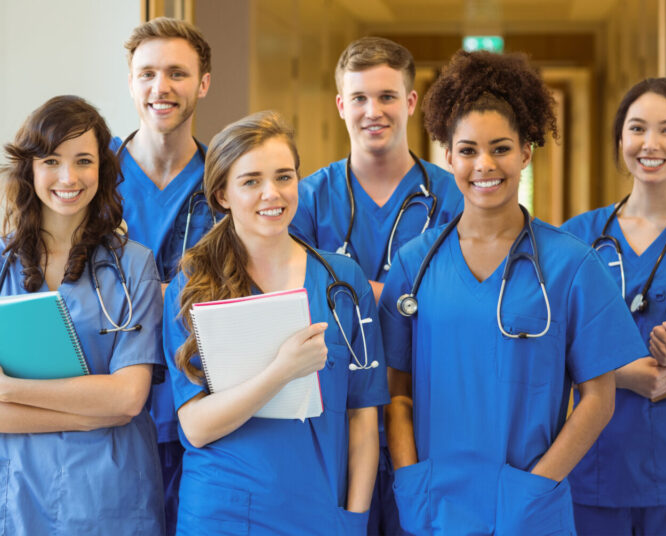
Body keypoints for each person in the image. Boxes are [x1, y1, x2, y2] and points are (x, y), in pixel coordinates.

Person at [380, 50, 647, 535]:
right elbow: (396, 395)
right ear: (448, 156)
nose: (485, 165)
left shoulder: (571, 266)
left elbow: (598, 399)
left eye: (501, 148)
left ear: (526, 151)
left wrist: (534, 490)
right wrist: (410, 480)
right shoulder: (413, 266)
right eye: (468, 150)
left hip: (529, 509)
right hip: (435, 509)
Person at [163, 111, 389, 535]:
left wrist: (355, 520)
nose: (273, 193)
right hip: (221, 510)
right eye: (251, 181)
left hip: (320, 511)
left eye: (284, 177)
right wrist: (283, 370)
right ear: (223, 195)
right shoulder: (193, 287)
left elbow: (363, 417)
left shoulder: (342, 281)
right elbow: (195, 425)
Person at [288, 36, 462, 535]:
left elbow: (463, 301)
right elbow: (288, 294)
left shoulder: (451, 196)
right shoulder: (308, 198)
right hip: (334, 413)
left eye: (387, 96)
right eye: (359, 98)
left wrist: (355, 289)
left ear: (410, 102)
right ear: (341, 105)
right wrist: (402, 298)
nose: (373, 111)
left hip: (428, 408)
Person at [0, 95, 165, 534]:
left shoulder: (134, 266)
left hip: (110, 496)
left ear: (102, 171)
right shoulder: (1, 267)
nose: (68, 177)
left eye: (83, 160)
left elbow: (128, 397)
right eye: (52, 160)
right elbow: (112, 404)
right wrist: (97, 412)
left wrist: (11, 389)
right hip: (20, 492)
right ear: (30, 169)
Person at [561, 78, 666, 535]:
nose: (651, 143)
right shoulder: (576, 237)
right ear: (620, 141)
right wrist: (622, 373)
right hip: (594, 467)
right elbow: (542, 344)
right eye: (637, 129)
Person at [115, 17, 215, 530]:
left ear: (202, 83)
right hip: (112, 418)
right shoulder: (92, 175)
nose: (161, 88)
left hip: (198, 411)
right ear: (131, 82)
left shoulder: (225, 180)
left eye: (177, 73)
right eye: (147, 73)